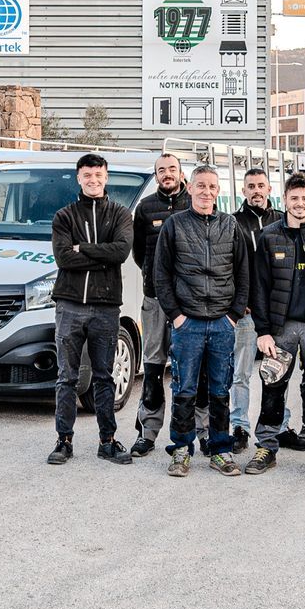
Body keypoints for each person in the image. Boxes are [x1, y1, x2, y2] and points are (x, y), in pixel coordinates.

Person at [152, 164, 253, 478]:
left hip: (223, 323)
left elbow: (243, 274)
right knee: (185, 388)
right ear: (190, 187)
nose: (206, 192)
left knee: (220, 390)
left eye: (212, 186)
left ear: (218, 191)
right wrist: (177, 316)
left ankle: (220, 450)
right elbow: (161, 275)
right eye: (200, 186)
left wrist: (234, 316)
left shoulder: (231, 225)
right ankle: (181, 450)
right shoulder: (174, 225)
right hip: (188, 323)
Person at [244, 173, 305, 474]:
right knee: (273, 388)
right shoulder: (269, 236)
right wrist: (263, 331)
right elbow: (258, 287)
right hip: (280, 328)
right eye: (294, 198)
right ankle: (266, 447)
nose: (300, 204)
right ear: (284, 199)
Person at [48, 153, 136, 467]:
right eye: (87, 175)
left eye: (98, 175)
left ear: (106, 177)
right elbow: (63, 259)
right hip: (69, 305)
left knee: (104, 377)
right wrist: (101, 255)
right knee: (66, 378)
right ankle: (64, 441)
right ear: (79, 178)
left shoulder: (121, 214)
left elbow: (121, 251)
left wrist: (81, 248)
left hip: (106, 307)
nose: (93, 181)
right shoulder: (64, 216)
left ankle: (107, 441)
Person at [129, 152, 190, 457]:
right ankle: (147, 432)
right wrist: (155, 277)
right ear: (156, 176)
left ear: (181, 173)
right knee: (153, 368)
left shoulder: (195, 202)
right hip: (154, 301)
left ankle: (190, 434)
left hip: (188, 304)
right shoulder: (145, 208)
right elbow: (139, 254)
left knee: (188, 371)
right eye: (162, 170)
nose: (167, 174)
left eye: (172, 169)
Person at [228, 168, 279, 452]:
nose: (256, 190)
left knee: (277, 373)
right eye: (251, 186)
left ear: (270, 189)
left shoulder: (282, 220)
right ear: (243, 191)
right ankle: (239, 426)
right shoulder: (233, 222)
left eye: (261, 185)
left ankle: (280, 425)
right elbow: (232, 265)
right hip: (246, 312)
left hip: (276, 312)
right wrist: (239, 302)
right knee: (241, 372)